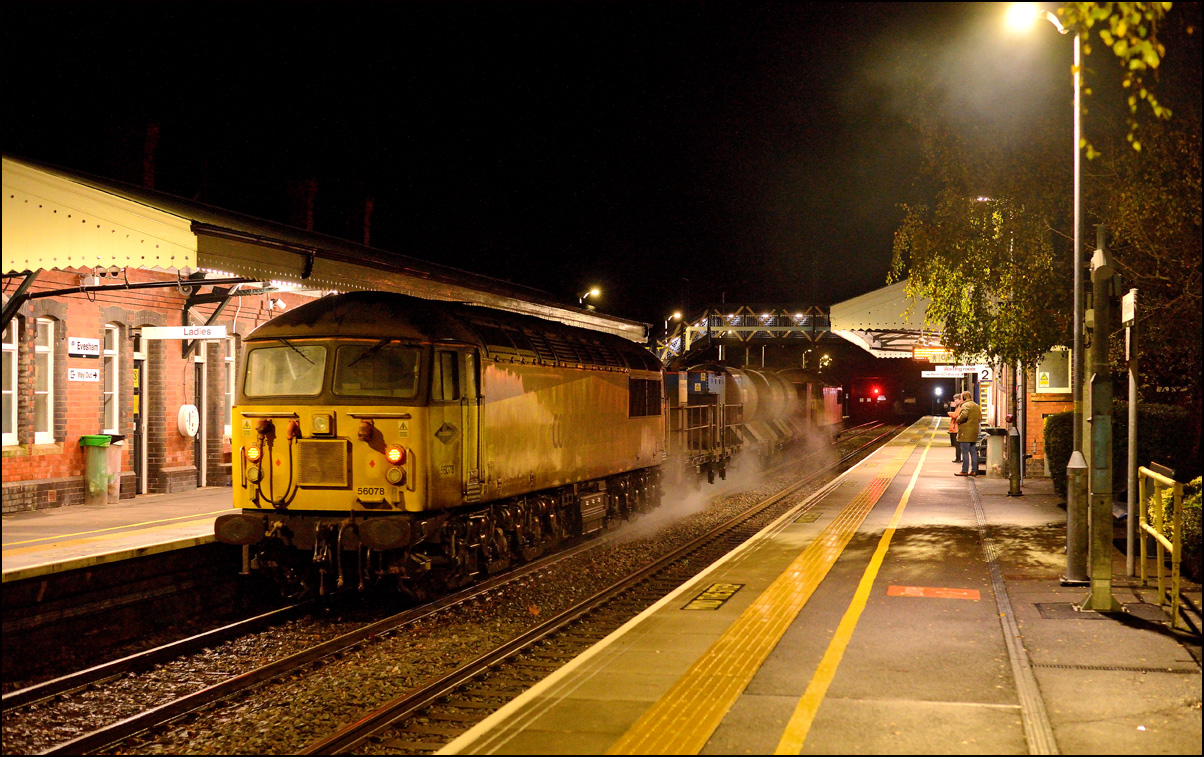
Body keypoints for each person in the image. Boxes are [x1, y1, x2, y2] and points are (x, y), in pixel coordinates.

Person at [954, 391, 981, 477]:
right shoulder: (976, 406)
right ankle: (974, 470)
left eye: (961, 397)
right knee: (973, 452)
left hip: (965, 433)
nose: (961, 399)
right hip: (974, 432)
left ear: (964, 398)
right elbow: (980, 418)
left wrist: (957, 420)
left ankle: (964, 470)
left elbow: (964, 416)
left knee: (965, 452)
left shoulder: (965, 405)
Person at [947, 393, 963, 462]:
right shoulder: (958, 406)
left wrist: (949, 413)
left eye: (956, 399)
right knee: (958, 445)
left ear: (960, 400)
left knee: (958, 445)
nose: (955, 401)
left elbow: (956, 415)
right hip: (956, 427)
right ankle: (958, 458)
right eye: (954, 400)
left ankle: (958, 458)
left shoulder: (960, 407)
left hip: (957, 428)